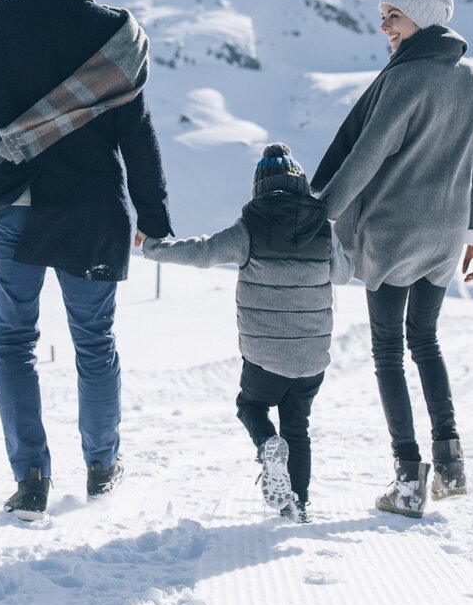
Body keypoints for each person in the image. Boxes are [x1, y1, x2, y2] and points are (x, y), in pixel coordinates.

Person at [0, 0, 172, 522]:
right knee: (94, 343)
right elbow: (138, 136)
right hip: (91, 211)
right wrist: (155, 217)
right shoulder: (115, 36)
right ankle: (102, 468)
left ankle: (31, 479)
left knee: (13, 343)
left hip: (12, 207)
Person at [310, 0, 473, 520]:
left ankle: (408, 478)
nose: (384, 25)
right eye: (384, 14)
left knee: (389, 351)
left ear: (423, 20)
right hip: (445, 234)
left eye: (394, 15)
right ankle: (451, 463)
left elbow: (366, 153)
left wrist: (320, 214)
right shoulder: (472, 79)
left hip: (393, 231)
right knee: (426, 343)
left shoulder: (406, 77)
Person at [140, 143, 353, 522]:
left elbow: (203, 252)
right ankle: (297, 505)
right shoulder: (323, 227)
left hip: (264, 358)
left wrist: (156, 249)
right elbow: (343, 275)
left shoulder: (249, 227)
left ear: (259, 187)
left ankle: (266, 442)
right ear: (301, 184)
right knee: (298, 426)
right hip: (311, 359)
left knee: (251, 406)